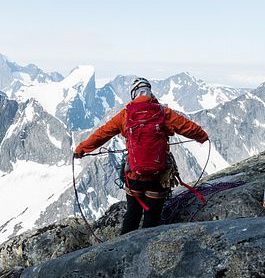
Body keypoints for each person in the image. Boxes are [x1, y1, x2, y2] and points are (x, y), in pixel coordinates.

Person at [73, 77, 209, 234]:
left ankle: (122, 250)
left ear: (133, 94)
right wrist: (202, 136)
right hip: (158, 177)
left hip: (134, 178)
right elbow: (187, 126)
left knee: (132, 214)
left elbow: (102, 134)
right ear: (150, 92)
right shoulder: (163, 113)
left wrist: (81, 149)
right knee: (152, 217)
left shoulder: (125, 115)